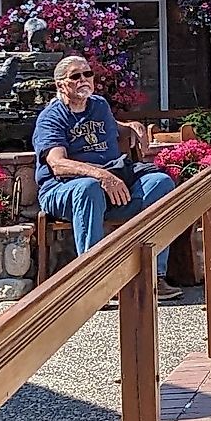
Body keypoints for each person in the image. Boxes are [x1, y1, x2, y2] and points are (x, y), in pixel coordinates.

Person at [32, 56, 178, 298]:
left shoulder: (98, 105)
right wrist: (101, 175)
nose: (84, 80)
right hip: (63, 190)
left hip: (110, 186)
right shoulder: (51, 118)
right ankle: (94, 283)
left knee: (161, 183)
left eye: (87, 74)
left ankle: (154, 276)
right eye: (75, 76)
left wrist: (131, 126)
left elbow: (112, 125)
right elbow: (57, 164)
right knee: (88, 188)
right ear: (60, 85)